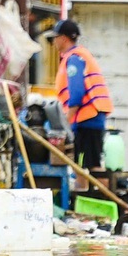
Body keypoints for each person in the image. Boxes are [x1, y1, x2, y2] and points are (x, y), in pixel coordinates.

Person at [44, 19, 113, 172]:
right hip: (88, 118)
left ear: (64, 38)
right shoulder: (78, 56)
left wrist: (66, 122)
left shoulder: (74, 59)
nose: (54, 41)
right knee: (81, 164)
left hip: (88, 119)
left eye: (55, 37)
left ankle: (101, 195)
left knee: (92, 165)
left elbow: (76, 93)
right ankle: (84, 193)